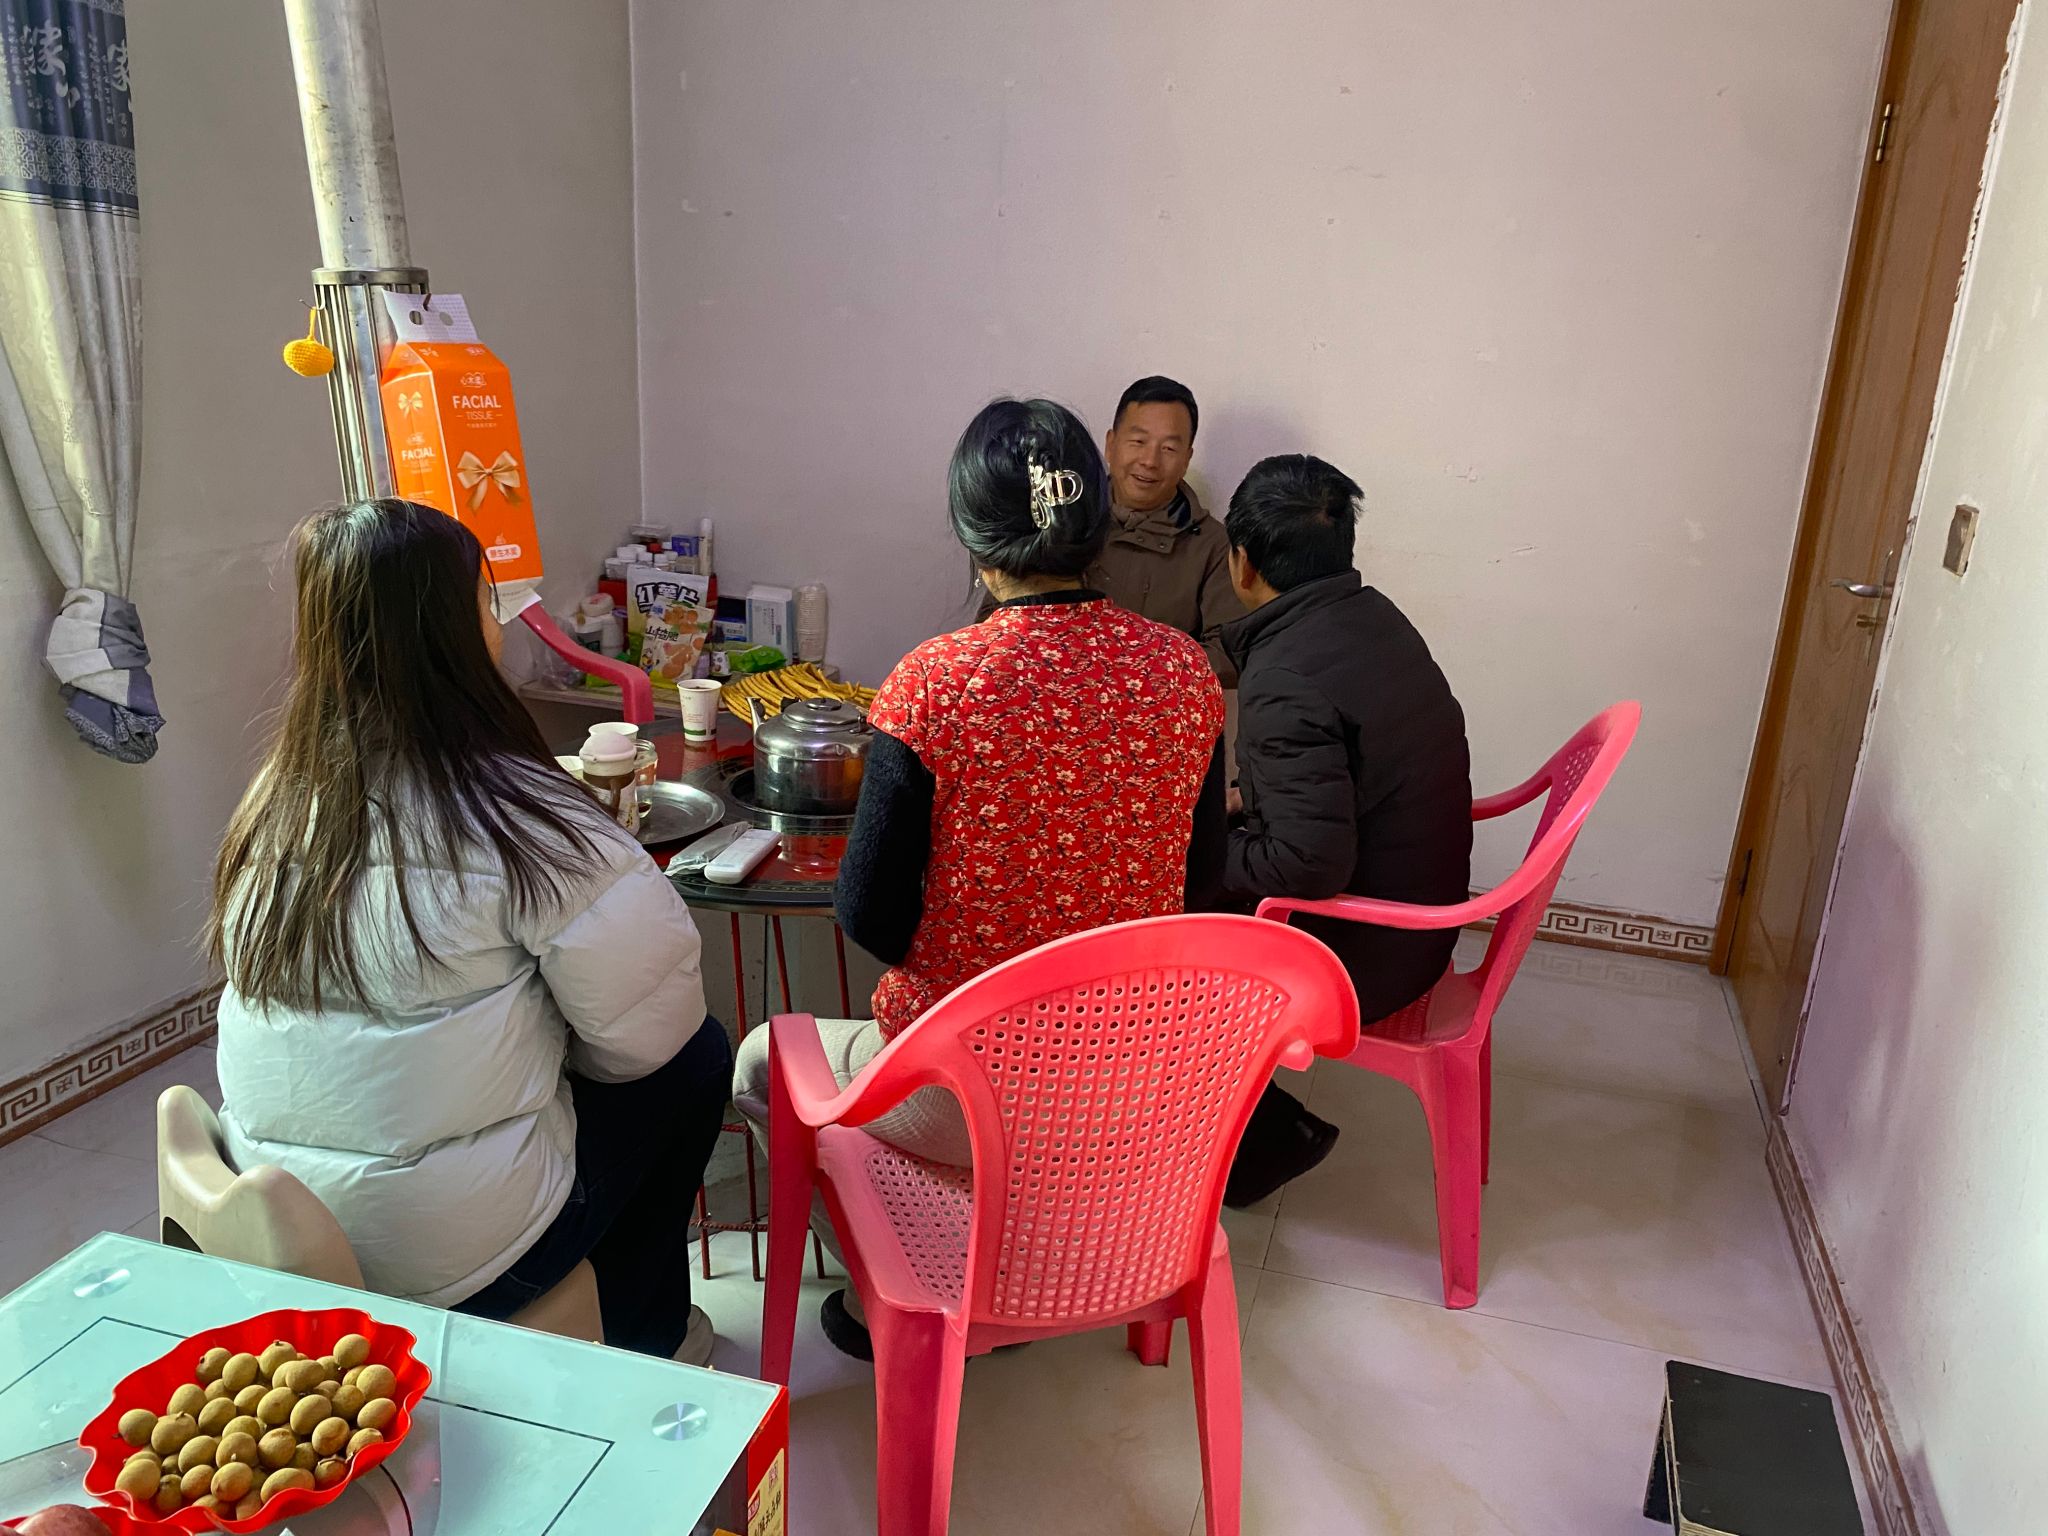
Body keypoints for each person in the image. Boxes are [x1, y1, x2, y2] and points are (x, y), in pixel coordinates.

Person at [735, 398, 1226, 1356]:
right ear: (1095, 523)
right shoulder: (1181, 673)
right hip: (1140, 1086)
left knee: (762, 1061)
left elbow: (871, 917)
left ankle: (904, 1293)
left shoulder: (937, 682)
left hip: (964, 1092)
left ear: (971, 534)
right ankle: (1030, 1258)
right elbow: (1200, 889)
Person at [207, 500, 730, 1363]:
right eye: (487, 601)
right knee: (695, 1061)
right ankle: (650, 1336)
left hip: (276, 1238)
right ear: (453, 629)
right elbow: (648, 1039)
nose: (499, 621)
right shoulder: (522, 813)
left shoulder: (273, 800)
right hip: (451, 1263)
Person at [1215, 455, 1473, 1207]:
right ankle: (1251, 1130)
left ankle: (1257, 1142)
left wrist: (1196, 849)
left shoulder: (1282, 675)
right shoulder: (1372, 618)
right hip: (1422, 921)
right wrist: (1251, 800)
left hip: (1366, 955)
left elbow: (1307, 865)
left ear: (1243, 563)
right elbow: (1345, 780)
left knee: (1143, 927)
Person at [977, 376, 1244, 681]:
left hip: (1156, 705)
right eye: (1138, 442)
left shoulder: (1213, 546)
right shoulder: (1057, 517)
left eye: (1169, 448)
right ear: (1110, 444)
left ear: (1186, 459)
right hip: (1047, 696)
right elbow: (992, 623)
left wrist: (1130, 671)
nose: (1150, 461)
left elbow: (1227, 655)